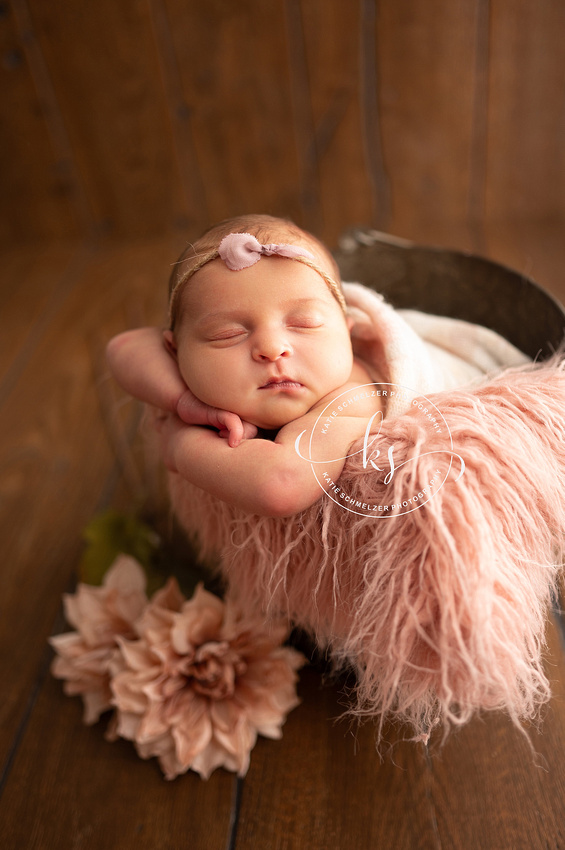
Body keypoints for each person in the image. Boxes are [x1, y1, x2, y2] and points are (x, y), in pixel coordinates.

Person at [107, 214, 383, 517]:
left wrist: (179, 444)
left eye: (305, 324)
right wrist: (183, 401)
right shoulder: (175, 358)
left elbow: (282, 484)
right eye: (228, 334)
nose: (272, 348)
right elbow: (123, 347)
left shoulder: (354, 398)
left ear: (348, 333)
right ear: (174, 351)